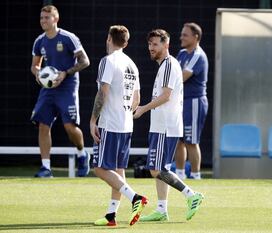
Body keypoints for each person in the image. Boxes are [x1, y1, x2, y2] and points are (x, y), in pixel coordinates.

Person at [133, 29, 204, 222]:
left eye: (155, 44)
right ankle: (162, 210)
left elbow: (166, 96)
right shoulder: (166, 65)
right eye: (149, 44)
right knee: (160, 168)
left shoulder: (168, 65)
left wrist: (142, 109)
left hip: (165, 126)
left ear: (166, 45)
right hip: (161, 126)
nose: (151, 48)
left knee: (156, 169)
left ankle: (191, 194)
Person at [90, 25, 148, 227]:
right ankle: (111, 216)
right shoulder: (132, 64)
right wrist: (125, 113)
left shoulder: (108, 61)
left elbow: (102, 92)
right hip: (126, 124)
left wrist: (93, 120)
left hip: (110, 123)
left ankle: (135, 198)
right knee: (118, 170)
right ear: (126, 42)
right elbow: (137, 99)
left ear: (108, 38)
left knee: (99, 168)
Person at [30, 5, 90, 178]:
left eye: (46, 18)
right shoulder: (39, 41)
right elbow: (34, 65)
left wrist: (65, 73)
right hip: (48, 89)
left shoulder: (68, 38)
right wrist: (38, 74)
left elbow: (85, 61)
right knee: (43, 124)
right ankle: (46, 168)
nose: (43, 21)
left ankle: (81, 153)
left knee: (70, 127)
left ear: (55, 19)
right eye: (41, 18)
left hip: (67, 87)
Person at [174, 22, 209, 180]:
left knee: (191, 141)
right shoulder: (182, 54)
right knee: (178, 140)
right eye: (182, 34)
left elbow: (181, 77)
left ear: (196, 37)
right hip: (181, 102)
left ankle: (196, 176)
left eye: (185, 35)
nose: (181, 37)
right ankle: (180, 175)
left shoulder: (198, 55)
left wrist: (166, 85)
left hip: (194, 102)